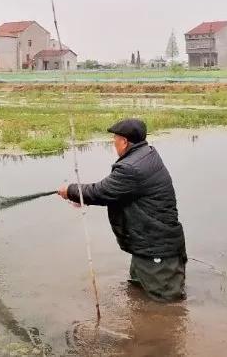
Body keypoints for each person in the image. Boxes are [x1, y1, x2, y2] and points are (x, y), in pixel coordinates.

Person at [57, 118, 187, 302]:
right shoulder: (147, 154)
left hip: (157, 251)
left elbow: (101, 192)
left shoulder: (131, 167)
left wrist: (70, 191)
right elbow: (117, 193)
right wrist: (82, 197)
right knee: (139, 296)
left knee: (166, 308)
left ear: (124, 141)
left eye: (115, 139)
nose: (113, 143)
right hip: (148, 246)